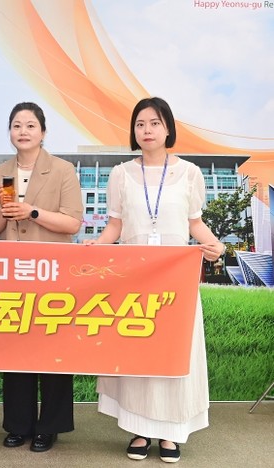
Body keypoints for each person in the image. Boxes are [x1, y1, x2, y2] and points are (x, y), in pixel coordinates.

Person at [83, 97, 224, 463]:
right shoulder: (120, 174)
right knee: (139, 350)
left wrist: (214, 244)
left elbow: (194, 223)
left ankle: (170, 434)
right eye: (140, 124)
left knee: (173, 350)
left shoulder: (190, 173)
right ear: (134, 131)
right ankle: (139, 429)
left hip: (176, 281)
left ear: (168, 129)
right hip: (134, 280)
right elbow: (115, 226)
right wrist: (96, 247)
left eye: (155, 123)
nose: (147, 130)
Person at [0, 102, 83, 453]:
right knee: (16, 349)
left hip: (52, 273)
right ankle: (18, 424)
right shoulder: (0, 173)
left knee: (52, 348)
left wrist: (32, 212)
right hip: (13, 274)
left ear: (43, 131)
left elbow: (72, 223)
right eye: (16, 125)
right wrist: (5, 213)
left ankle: (49, 426)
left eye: (30, 125)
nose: (22, 131)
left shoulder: (63, 170)